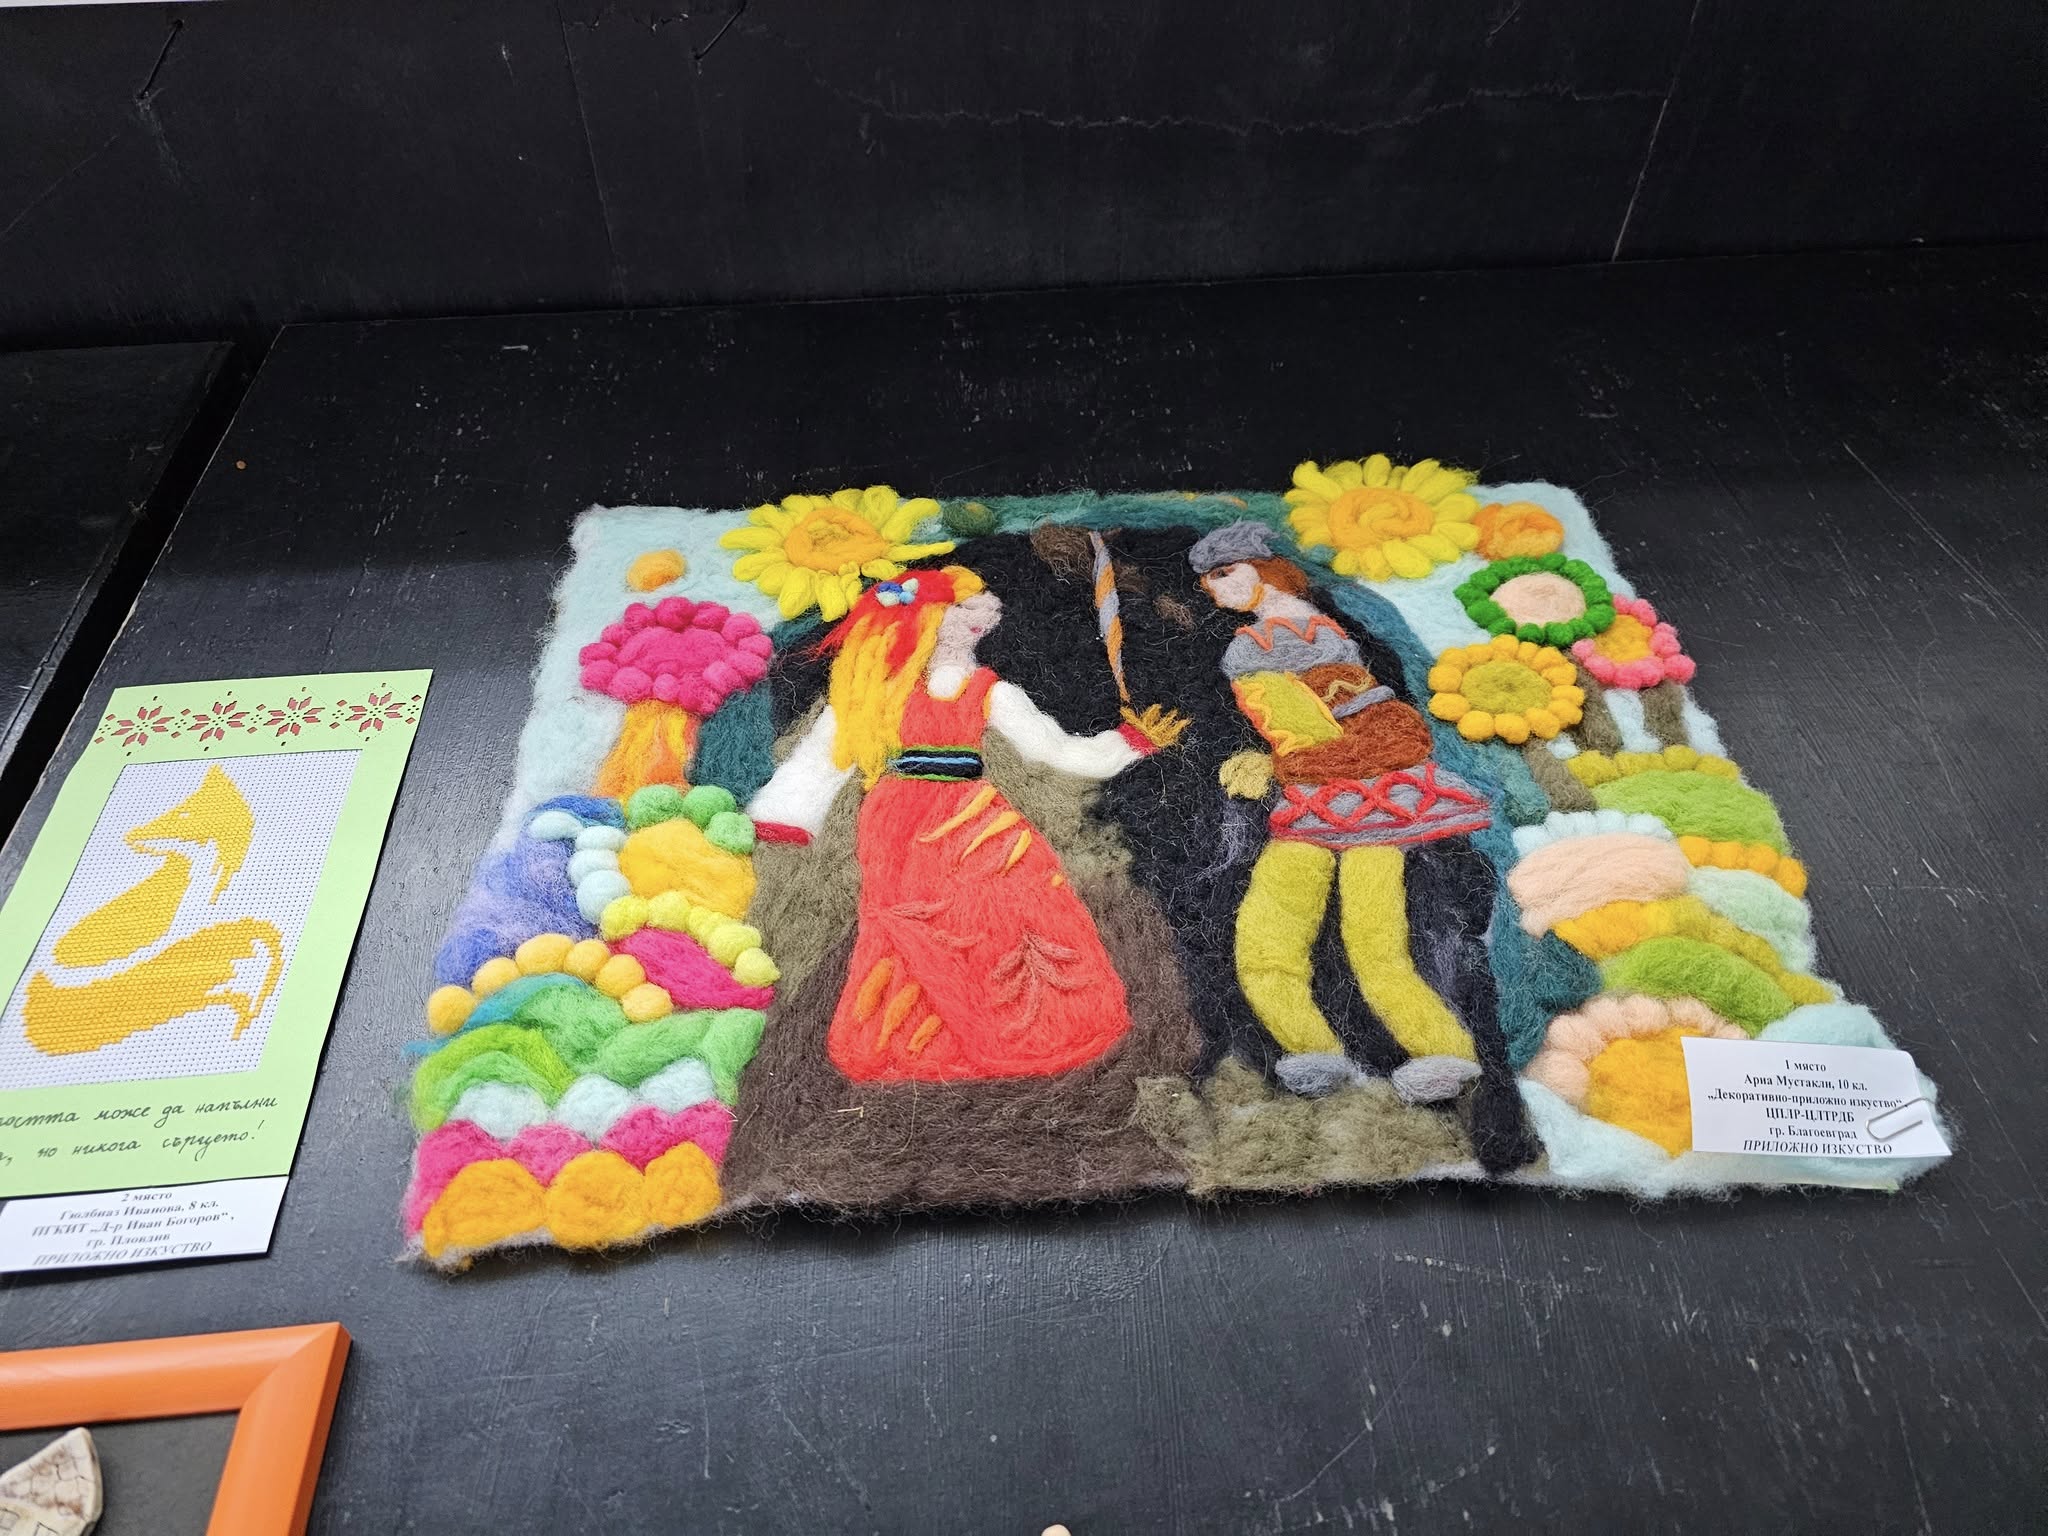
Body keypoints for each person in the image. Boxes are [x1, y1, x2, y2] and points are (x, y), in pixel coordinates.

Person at [748, 565, 1188, 1083]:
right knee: (915, 922)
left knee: (1017, 902)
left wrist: (1127, 745)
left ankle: (1032, 1028)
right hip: (900, 823)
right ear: (927, 617)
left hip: (973, 813)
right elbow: (828, 753)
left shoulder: (986, 689)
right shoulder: (879, 689)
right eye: (963, 608)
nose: (985, 614)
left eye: (980, 607)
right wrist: (787, 815)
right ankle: (917, 1041)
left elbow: (1052, 748)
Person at [1188, 521, 1490, 1104]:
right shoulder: (1260, 645)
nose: (1216, 590)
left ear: (1265, 570)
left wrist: (1285, 765)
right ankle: (1313, 1049)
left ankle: (1444, 1051)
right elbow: (1294, 734)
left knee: (1374, 942)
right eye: (1209, 581)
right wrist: (1276, 761)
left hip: (1369, 813)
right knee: (1266, 939)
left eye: (1225, 573)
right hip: (1305, 811)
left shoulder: (1312, 643)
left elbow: (1394, 735)